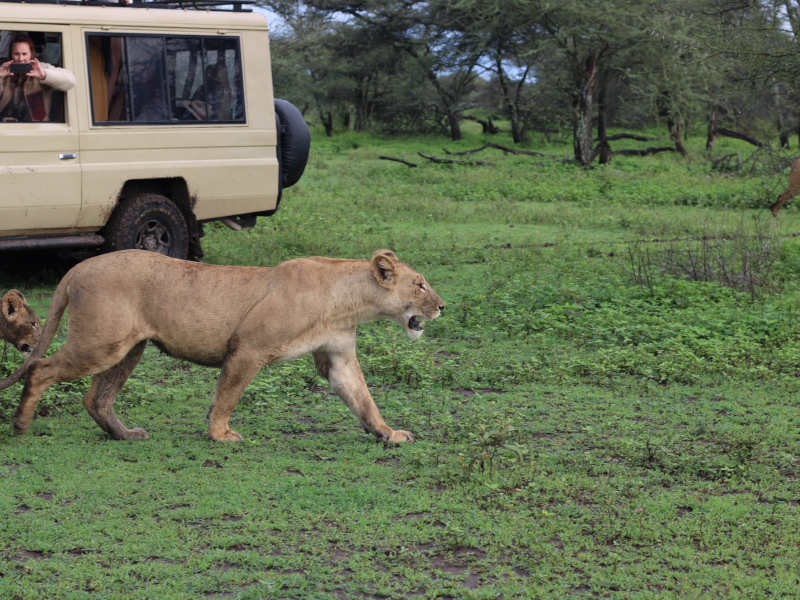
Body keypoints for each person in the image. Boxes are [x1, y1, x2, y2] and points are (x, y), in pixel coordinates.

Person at [0, 34, 75, 122]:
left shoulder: (41, 68)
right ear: (11, 55)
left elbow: (71, 81)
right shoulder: (4, 71)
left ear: (31, 54)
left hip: (36, 128)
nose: (20, 59)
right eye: (16, 54)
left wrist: (44, 75)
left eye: (24, 54)